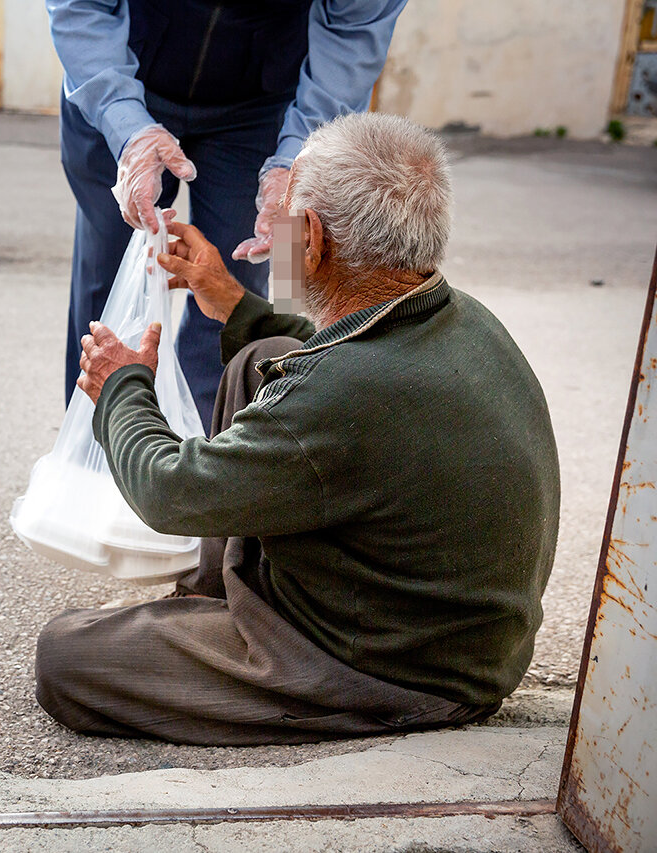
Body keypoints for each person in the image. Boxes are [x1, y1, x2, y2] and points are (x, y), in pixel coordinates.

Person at [34, 113, 561, 746]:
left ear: (310, 236)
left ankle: (248, 644)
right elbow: (329, 360)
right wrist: (229, 298)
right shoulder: (460, 317)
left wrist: (122, 385)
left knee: (65, 655)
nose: (267, 237)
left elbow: (168, 491)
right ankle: (211, 603)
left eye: (279, 219)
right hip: (450, 639)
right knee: (265, 354)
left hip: (395, 673)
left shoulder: (344, 396)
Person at [47, 0, 409, 432]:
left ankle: (209, 469)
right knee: (106, 294)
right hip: (120, 84)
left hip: (266, 107)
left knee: (241, 291)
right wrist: (123, 122)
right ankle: (95, 466)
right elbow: (80, 7)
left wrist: (297, 157)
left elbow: (352, 36)